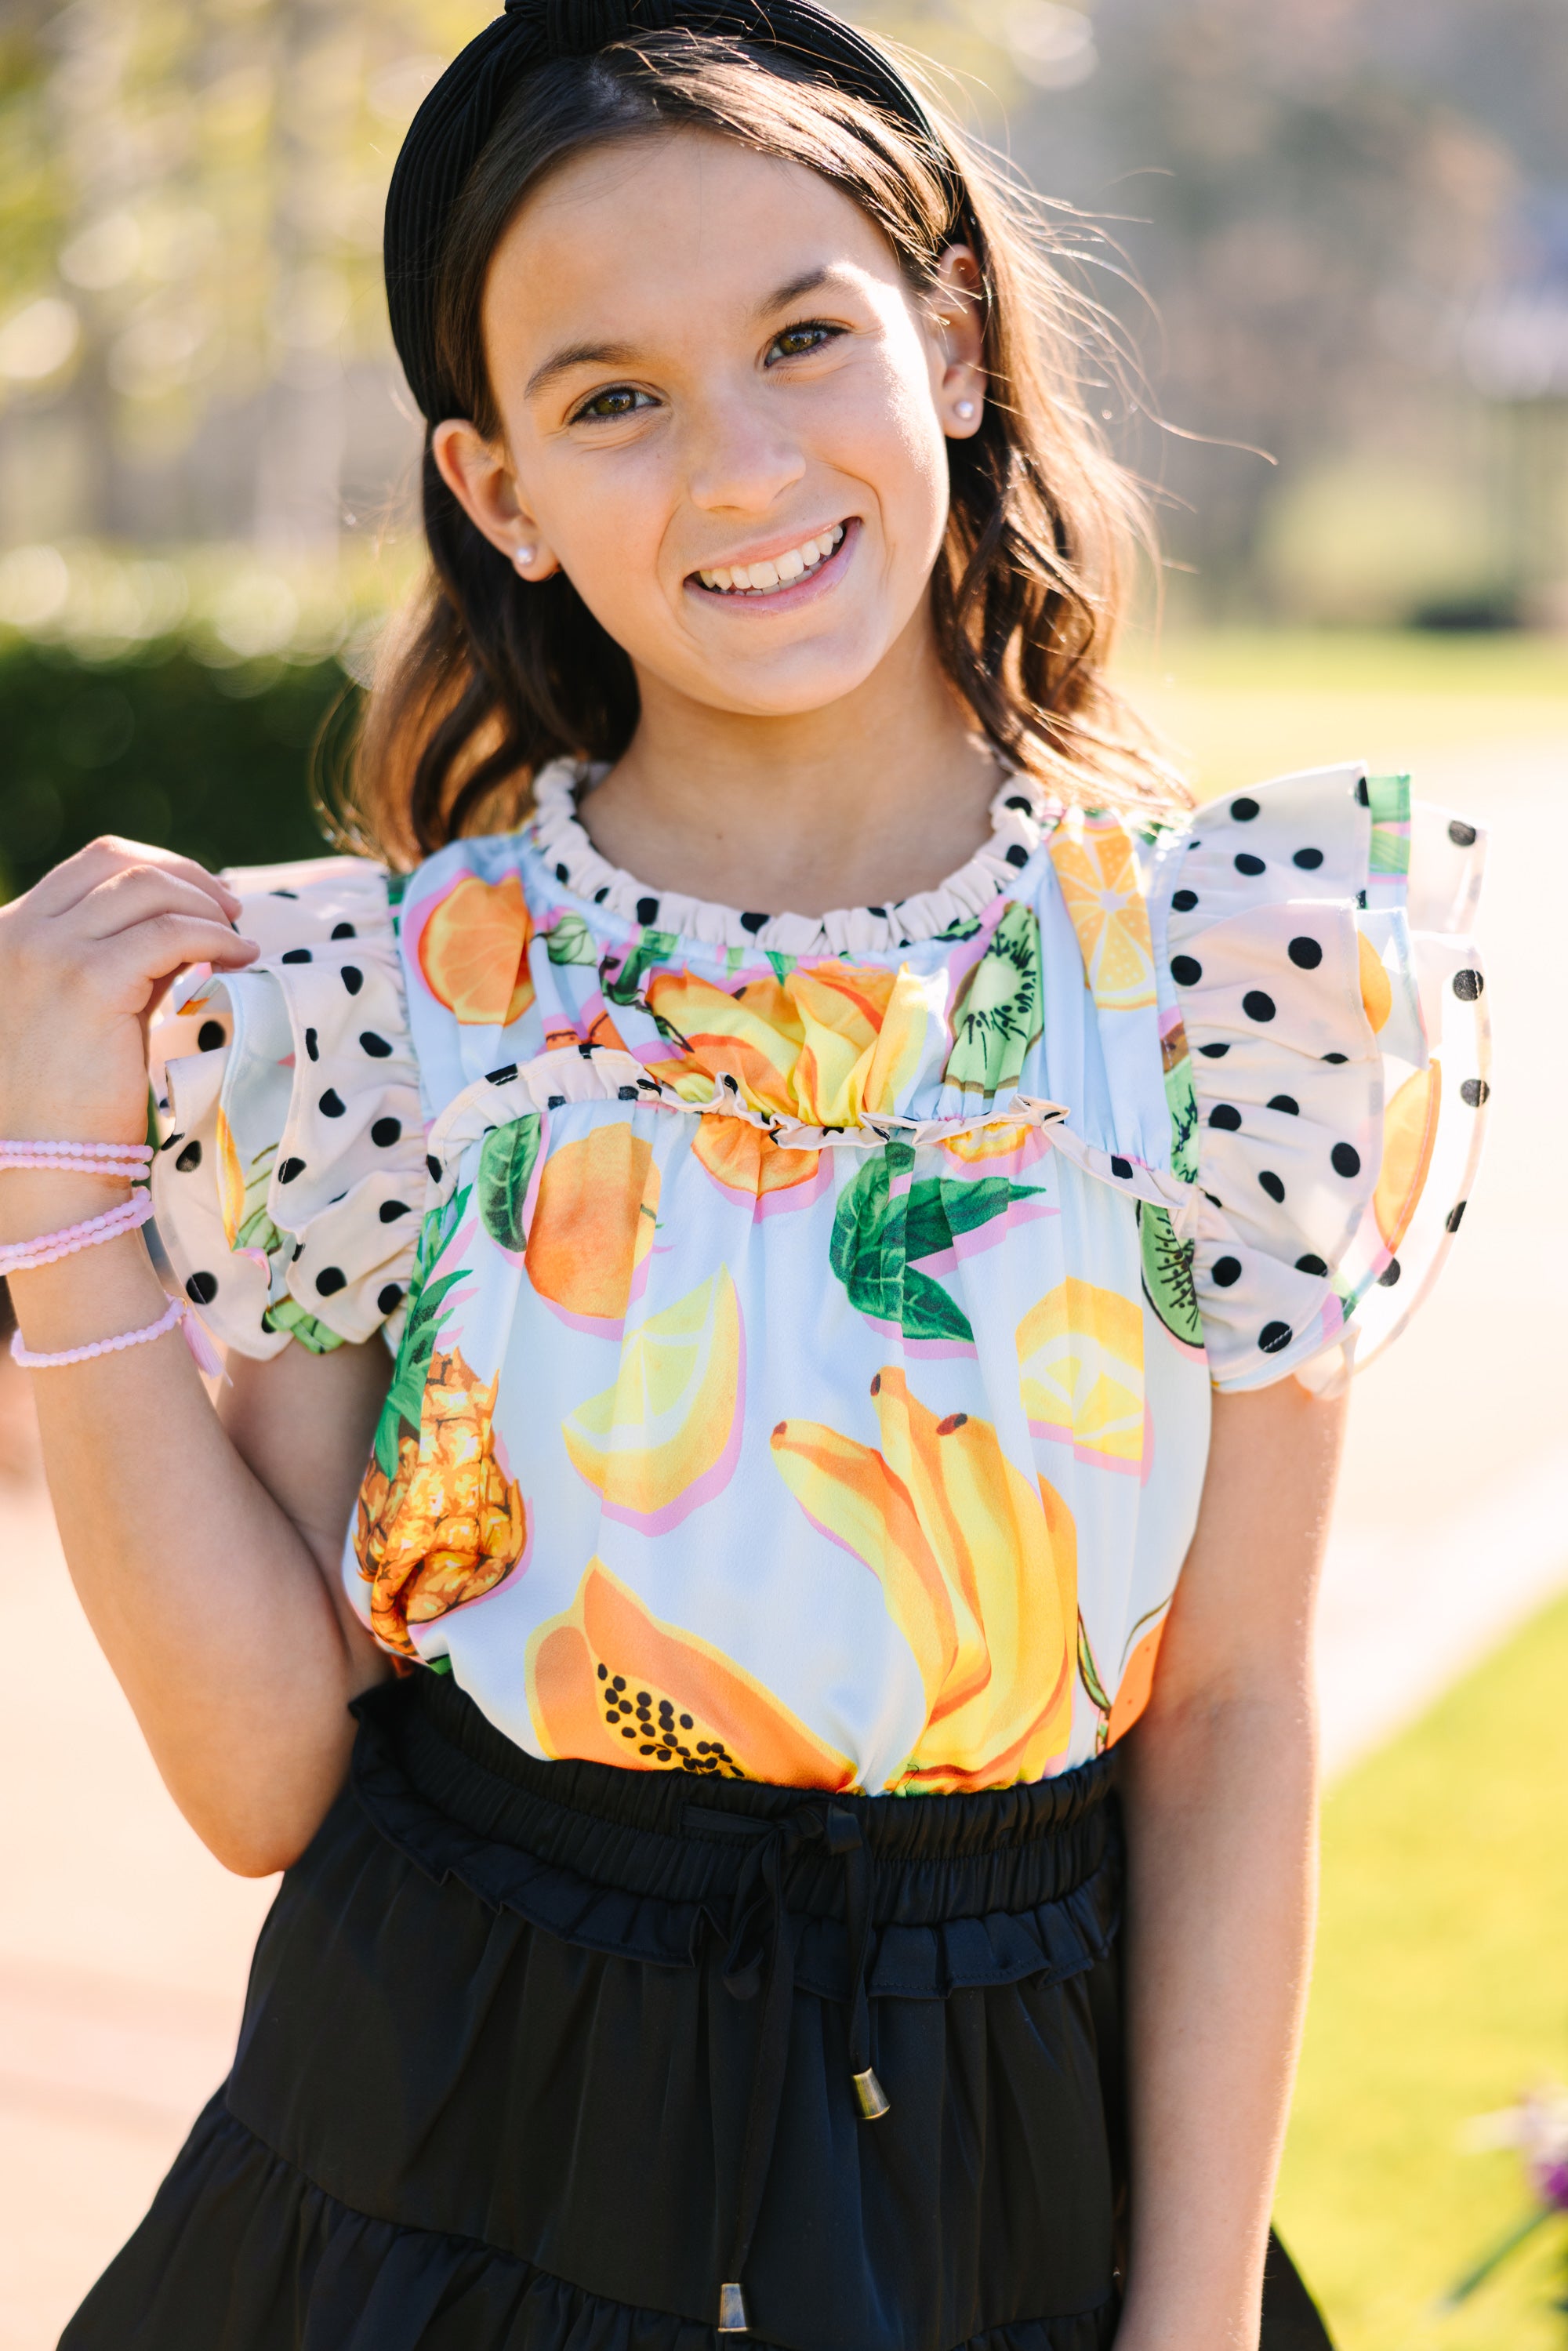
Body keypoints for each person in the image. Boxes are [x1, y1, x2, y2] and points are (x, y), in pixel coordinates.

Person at [0, 5, 1490, 2346]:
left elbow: (1229, 1719)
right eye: (613, 397)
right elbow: (263, 1774)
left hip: (1016, 2194)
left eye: (807, 337)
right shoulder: (389, 1000)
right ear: (498, 493)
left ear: (958, 352)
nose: (740, 463)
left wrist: (1188, 2319)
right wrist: (56, 1195)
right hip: (432, 2174)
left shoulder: (1232, 978)